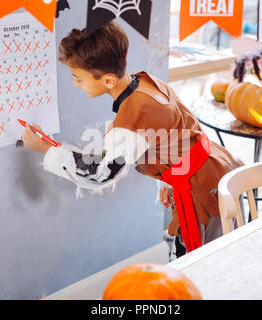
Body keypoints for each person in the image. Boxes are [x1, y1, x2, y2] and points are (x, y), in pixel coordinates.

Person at [21, 21, 243, 259]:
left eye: (78, 78)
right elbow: (180, 134)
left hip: (204, 190)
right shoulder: (146, 81)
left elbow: (99, 173)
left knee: (205, 263)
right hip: (218, 168)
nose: (75, 83)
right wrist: (170, 179)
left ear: (108, 81)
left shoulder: (134, 115)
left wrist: (47, 150)